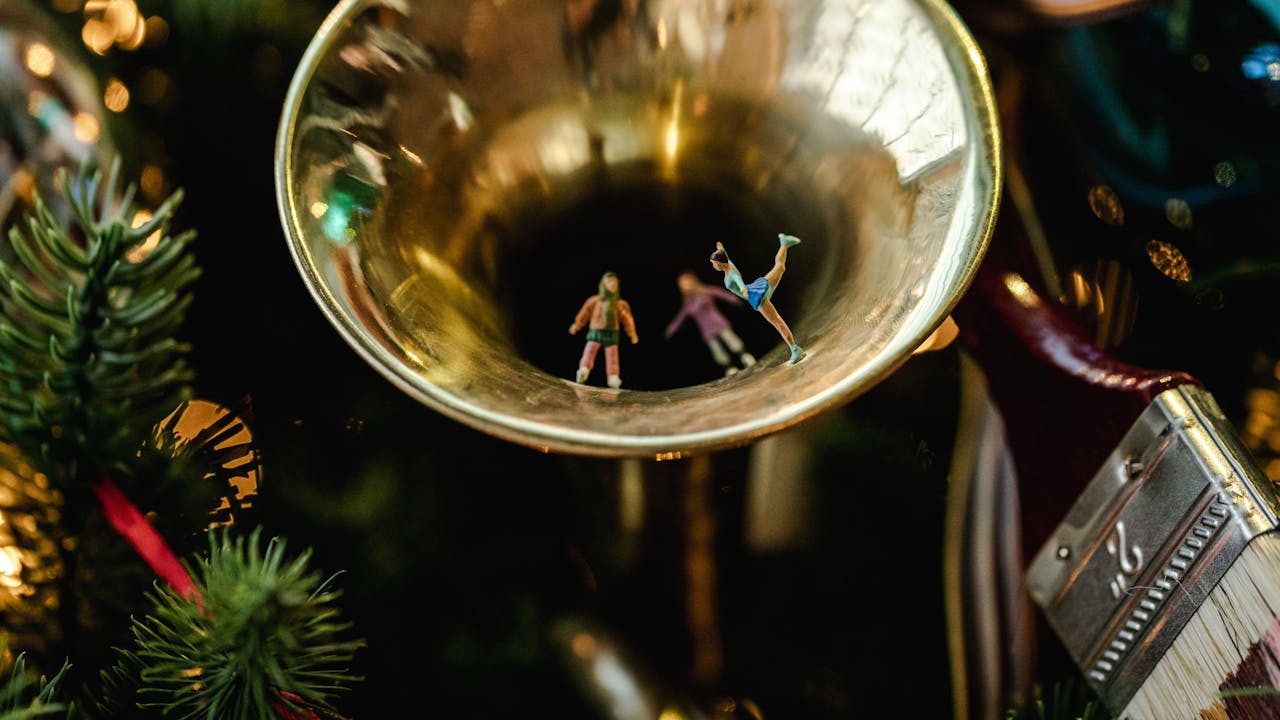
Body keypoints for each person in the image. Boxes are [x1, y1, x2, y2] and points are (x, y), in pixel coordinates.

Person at [709, 233, 805, 364]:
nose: (714, 266)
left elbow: (739, 282)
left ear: (720, 262)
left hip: (757, 296)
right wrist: (720, 247)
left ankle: (795, 349)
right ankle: (784, 243)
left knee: (777, 321)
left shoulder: (731, 274)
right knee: (779, 267)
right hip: (757, 288)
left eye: (714, 263)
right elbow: (726, 257)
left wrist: (743, 289)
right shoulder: (728, 265)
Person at [664, 269, 757, 375]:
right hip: (706, 330)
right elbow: (680, 316)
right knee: (717, 350)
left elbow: (719, 292)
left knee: (731, 340)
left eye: (687, 283)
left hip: (718, 323)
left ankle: (744, 356)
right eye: (682, 285)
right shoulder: (688, 302)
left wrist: (733, 299)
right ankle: (729, 367)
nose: (685, 287)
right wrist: (672, 328)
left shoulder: (704, 291)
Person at [569, 271, 639, 388]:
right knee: (589, 351)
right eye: (609, 282)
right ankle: (583, 370)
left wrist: (632, 333)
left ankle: (613, 377)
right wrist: (576, 325)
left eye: (614, 283)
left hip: (612, 333)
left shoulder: (619, 304)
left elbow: (627, 320)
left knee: (612, 356)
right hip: (596, 331)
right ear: (603, 284)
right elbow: (584, 314)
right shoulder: (594, 301)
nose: (612, 284)